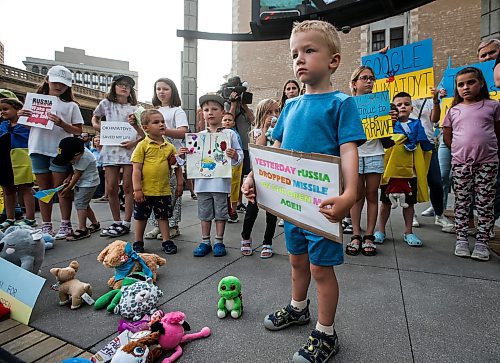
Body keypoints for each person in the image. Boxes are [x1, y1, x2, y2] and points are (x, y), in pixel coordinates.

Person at [242, 20, 365, 362]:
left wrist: (350, 194)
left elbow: (349, 150)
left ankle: (327, 333)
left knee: (321, 269)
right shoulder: (291, 107)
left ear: (333, 60)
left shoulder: (341, 103)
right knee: (297, 261)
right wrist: (254, 177)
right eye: (295, 53)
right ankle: (298, 309)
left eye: (309, 51)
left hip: (322, 206)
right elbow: (275, 151)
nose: (299, 59)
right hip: (291, 206)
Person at [18, 65, 84, 238]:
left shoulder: (71, 106)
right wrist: (21, 115)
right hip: (38, 148)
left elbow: (78, 130)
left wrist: (62, 124)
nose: (59, 86)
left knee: (62, 189)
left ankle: (65, 224)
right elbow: (25, 125)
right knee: (44, 189)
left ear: (68, 86)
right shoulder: (34, 101)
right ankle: (46, 225)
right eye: (55, 82)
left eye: (63, 84)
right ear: (47, 80)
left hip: (60, 151)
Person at [442, 67, 500, 261]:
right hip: (461, 164)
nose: (465, 87)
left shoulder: (492, 106)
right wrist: (459, 151)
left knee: (485, 203)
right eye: (460, 84)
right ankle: (462, 239)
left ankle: (482, 241)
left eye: (470, 82)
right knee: (462, 202)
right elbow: (448, 136)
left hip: (487, 163)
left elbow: (497, 132)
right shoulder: (454, 110)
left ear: (481, 83)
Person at [179, 94, 243, 257]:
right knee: (204, 213)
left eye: (214, 109)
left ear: (223, 112)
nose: (210, 112)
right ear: (202, 113)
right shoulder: (197, 137)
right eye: (207, 109)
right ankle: (205, 241)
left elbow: (239, 156)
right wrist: (183, 154)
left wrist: (234, 155)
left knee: (221, 213)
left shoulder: (230, 135)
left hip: (221, 182)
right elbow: (187, 160)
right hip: (202, 183)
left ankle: (219, 241)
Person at [375, 92, 433, 246]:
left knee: (409, 203)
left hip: (410, 171)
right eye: (399, 104)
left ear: (411, 108)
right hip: (391, 171)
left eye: (406, 104)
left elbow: (424, 143)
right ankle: (380, 230)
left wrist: (423, 145)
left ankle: (409, 232)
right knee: (385, 202)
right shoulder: (389, 125)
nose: (402, 107)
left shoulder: (416, 124)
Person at [92, 75, 144, 238]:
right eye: (121, 85)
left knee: (128, 187)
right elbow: (95, 116)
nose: (124, 88)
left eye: (128, 86)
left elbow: (144, 133)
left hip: (129, 151)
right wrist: (96, 125)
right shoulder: (105, 104)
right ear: (114, 86)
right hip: (110, 149)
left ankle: (127, 221)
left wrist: (133, 142)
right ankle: (116, 221)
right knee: (111, 187)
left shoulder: (136, 109)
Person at [344, 66, 384, 256]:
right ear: (354, 83)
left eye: (371, 78)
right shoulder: (348, 103)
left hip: (375, 152)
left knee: (372, 195)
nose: (369, 81)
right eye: (364, 78)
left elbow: (389, 133)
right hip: (355, 154)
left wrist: (391, 119)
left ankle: (369, 235)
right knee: (356, 195)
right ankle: (356, 234)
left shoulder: (380, 102)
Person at [144, 78, 186, 241]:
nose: (161, 92)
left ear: (172, 91)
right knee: (156, 191)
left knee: (174, 192)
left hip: (174, 158)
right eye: (158, 89)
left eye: (165, 89)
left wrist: (163, 130)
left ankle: (173, 225)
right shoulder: (153, 110)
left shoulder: (177, 110)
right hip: (155, 158)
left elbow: (183, 131)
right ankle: (157, 225)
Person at [131, 109, 178, 254]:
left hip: (163, 189)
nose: (161, 124)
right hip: (145, 190)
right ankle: (138, 241)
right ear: (146, 128)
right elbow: (136, 169)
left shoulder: (169, 146)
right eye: (156, 122)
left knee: (163, 216)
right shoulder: (143, 145)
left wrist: (174, 160)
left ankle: (166, 240)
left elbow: (175, 166)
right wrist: (137, 189)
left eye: (162, 121)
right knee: (141, 217)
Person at [240, 99, 279, 259]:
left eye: (276, 112)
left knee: (272, 213)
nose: (274, 115)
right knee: (251, 210)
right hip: (257, 176)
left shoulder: (279, 132)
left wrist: (276, 131)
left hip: (274, 177)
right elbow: (260, 150)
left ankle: (267, 242)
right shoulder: (257, 132)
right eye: (269, 112)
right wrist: (264, 128)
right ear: (262, 114)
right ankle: (245, 237)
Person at [413, 88, 454, 230]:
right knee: (412, 181)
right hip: (408, 144)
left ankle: (439, 214)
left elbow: (435, 119)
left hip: (428, 143)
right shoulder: (400, 96)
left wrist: (435, 100)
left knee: (436, 181)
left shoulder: (428, 98)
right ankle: (411, 214)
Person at [54, 137, 100, 240]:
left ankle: (82, 229)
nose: (70, 161)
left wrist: (69, 187)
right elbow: (74, 170)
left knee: (80, 204)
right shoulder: (78, 156)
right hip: (83, 182)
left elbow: (78, 174)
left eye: (70, 159)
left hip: (88, 183)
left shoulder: (85, 157)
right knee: (84, 204)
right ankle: (95, 223)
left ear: (77, 154)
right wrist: (69, 177)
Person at [0, 98, 36, 230]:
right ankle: (10, 218)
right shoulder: (2, 125)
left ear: (17, 109)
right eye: (0, 110)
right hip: (4, 160)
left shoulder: (26, 125)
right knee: (7, 189)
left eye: (5, 109)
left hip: (22, 159)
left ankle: (30, 218)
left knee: (25, 188)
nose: (2, 112)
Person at [228, 78, 255, 213]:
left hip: (244, 147)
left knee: (240, 176)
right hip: (231, 148)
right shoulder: (228, 106)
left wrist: (244, 105)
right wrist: (233, 104)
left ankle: (239, 203)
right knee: (232, 177)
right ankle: (232, 203)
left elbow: (253, 120)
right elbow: (228, 121)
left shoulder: (245, 109)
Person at [222, 111, 243, 223]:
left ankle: (233, 210)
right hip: (224, 165)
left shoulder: (234, 134)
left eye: (229, 120)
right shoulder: (219, 133)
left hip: (234, 164)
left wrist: (236, 157)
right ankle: (227, 210)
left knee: (234, 187)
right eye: (225, 120)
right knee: (225, 189)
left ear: (234, 123)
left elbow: (239, 152)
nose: (227, 122)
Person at [90, 135, 106, 201]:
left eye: (99, 140)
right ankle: (96, 193)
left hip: (103, 167)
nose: (98, 142)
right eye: (96, 141)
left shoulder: (104, 150)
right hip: (95, 167)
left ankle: (102, 193)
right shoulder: (92, 151)